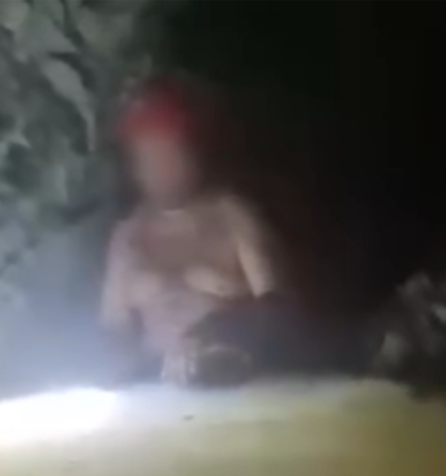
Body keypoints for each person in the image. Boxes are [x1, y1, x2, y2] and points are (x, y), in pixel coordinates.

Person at [100, 77, 302, 386]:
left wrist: (219, 332)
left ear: (193, 152)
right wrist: (130, 361)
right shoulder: (127, 239)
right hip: (159, 388)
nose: (158, 168)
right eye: (147, 156)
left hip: (237, 381)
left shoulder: (233, 218)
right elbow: (112, 329)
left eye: (167, 152)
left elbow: (280, 310)